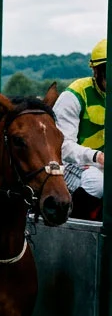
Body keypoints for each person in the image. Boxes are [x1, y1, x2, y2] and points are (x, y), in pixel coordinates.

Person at [53, 38, 107, 201]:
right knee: (98, 183)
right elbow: (62, 147)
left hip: (105, 164)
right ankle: (73, 220)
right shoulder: (74, 96)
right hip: (73, 164)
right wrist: (97, 156)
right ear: (96, 71)